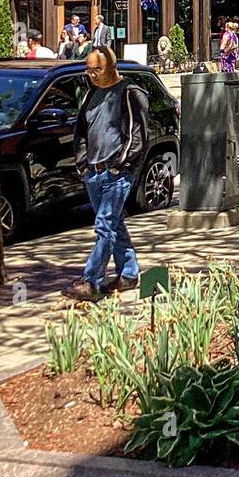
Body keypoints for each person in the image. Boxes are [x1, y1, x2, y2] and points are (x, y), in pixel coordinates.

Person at [62, 46, 147, 301]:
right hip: (94, 173)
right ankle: (129, 273)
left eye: (96, 69)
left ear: (111, 67)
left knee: (104, 226)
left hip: (116, 174)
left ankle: (91, 280)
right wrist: (83, 164)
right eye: (88, 70)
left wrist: (120, 165)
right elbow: (81, 132)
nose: (92, 74)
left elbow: (137, 135)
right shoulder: (90, 95)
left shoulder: (130, 93)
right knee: (115, 224)